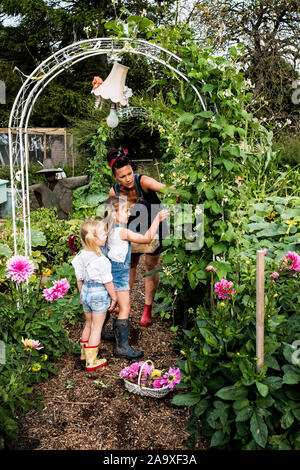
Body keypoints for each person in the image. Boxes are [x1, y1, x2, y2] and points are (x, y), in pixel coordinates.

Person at [107, 148, 172, 328]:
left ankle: (147, 308)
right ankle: (123, 300)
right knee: (131, 264)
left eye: (129, 173)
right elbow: (112, 216)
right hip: (132, 227)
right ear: (115, 177)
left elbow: (165, 188)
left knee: (151, 265)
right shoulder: (114, 193)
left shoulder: (142, 181)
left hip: (155, 224)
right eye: (122, 176)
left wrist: (177, 191)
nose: (127, 178)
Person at [104, 195, 170, 358]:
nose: (129, 214)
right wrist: (158, 219)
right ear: (114, 214)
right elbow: (146, 238)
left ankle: (99, 331)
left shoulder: (107, 230)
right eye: (126, 211)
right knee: (125, 308)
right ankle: (122, 347)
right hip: (119, 276)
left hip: (107, 272)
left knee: (107, 304)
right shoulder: (123, 232)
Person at [71, 219, 117, 371]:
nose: (106, 237)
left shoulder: (79, 256)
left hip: (85, 292)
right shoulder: (102, 260)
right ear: (95, 239)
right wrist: (114, 297)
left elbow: (79, 279)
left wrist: (82, 295)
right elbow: (108, 282)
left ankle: (84, 355)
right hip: (98, 294)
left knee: (88, 324)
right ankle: (92, 361)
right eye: (104, 234)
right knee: (97, 328)